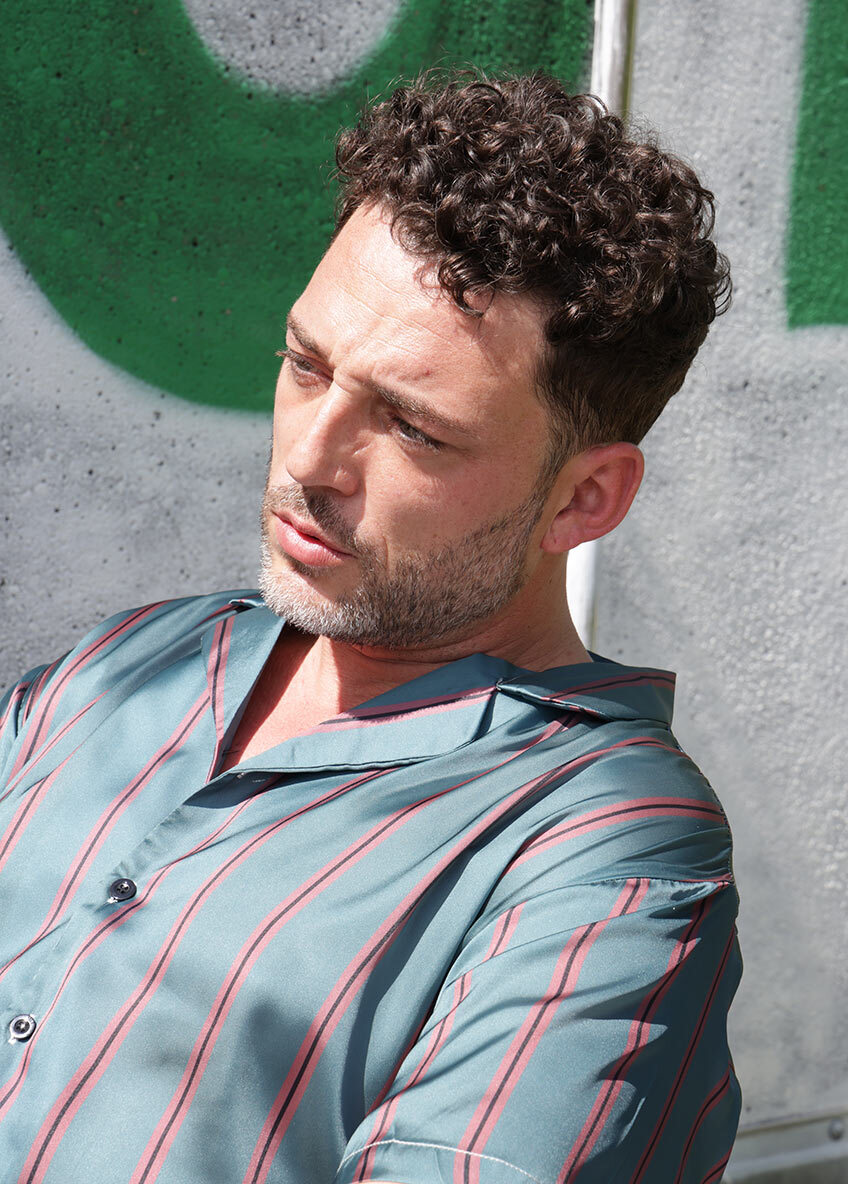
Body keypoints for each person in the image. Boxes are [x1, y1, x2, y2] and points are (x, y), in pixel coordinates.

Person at [0, 72, 740, 1183]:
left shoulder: (607, 858)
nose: (309, 458)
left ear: (584, 498)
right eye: (306, 365)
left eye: (412, 429)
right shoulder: (129, 662)